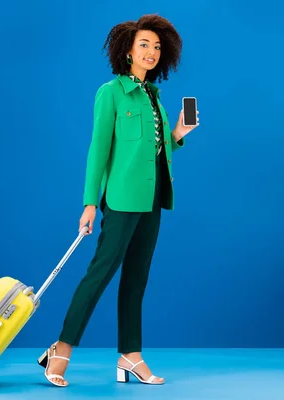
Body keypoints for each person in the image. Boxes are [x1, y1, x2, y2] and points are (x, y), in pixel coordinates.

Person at [36, 14, 199, 387]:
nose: (151, 52)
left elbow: (152, 151)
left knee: (136, 279)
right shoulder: (110, 93)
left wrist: (177, 134)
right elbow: (99, 150)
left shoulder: (154, 96)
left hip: (154, 198)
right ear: (127, 51)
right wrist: (90, 202)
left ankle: (130, 355)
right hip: (122, 199)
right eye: (144, 45)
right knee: (100, 274)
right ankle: (60, 350)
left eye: (157, 47)